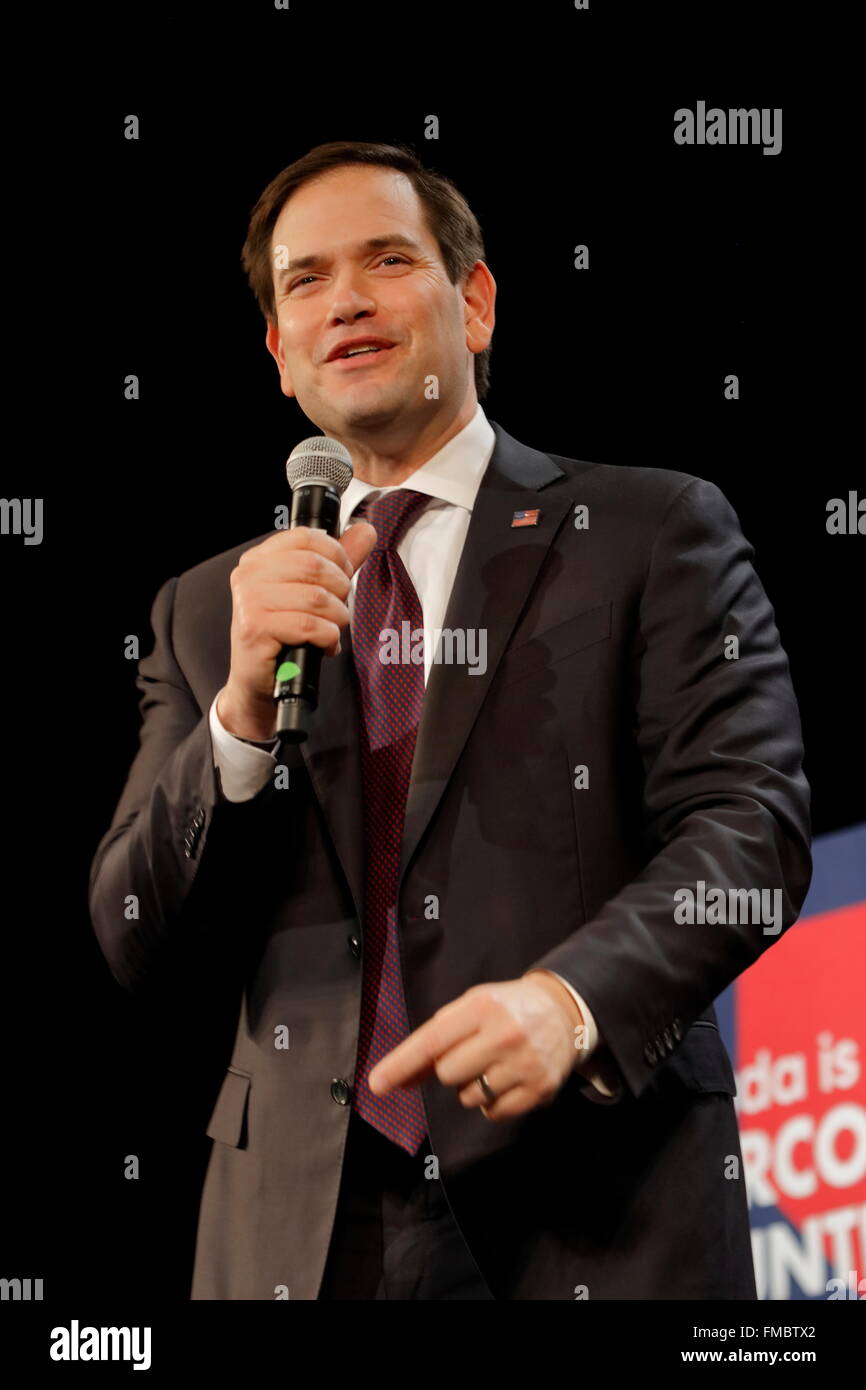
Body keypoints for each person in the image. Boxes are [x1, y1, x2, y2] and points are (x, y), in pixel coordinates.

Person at [88, 140, 812, 1300]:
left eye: (386, 258)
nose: (346, 302)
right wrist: (234, 717)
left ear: (472, 303)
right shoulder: (205, 610)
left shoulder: (644, 529)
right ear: (278, 354)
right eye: (304, 280)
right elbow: (133, 933)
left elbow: (748, 825)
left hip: (592, 1197)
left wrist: (570, 1001)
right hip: (294, 1235)